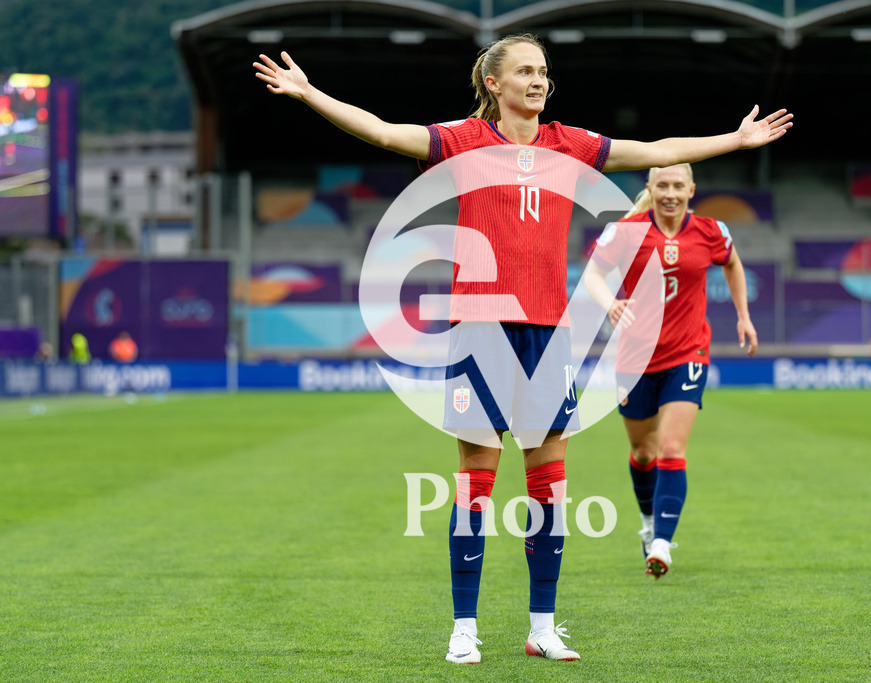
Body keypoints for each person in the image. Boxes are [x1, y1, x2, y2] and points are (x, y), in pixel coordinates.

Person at [254, 34, 791, 663]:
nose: (539, 81)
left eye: (544, 72)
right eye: (527, 72)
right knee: (476, 483)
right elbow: (381, 131)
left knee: (550, 486)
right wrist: (309, 92)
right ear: (494, 84)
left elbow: (659, 150)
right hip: (480, 330)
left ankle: (542, 626)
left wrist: (734, 140)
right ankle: (463, 628)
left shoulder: (571, 144)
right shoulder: (462, 142)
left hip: (547, 335)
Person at [583, 163, 758, 579]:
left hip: (688, 352)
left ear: (691, 189)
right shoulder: (625, 232)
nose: (670, 193)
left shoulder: (711, 231)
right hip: (635, 359)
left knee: (671, 449)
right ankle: (647, 523)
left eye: (678, 186)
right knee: (643, 452)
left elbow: (732, 263)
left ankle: (661, 541)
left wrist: (742, 315)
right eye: (663, 185)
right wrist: (610, 303)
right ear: (650, 188)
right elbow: (593, 274)